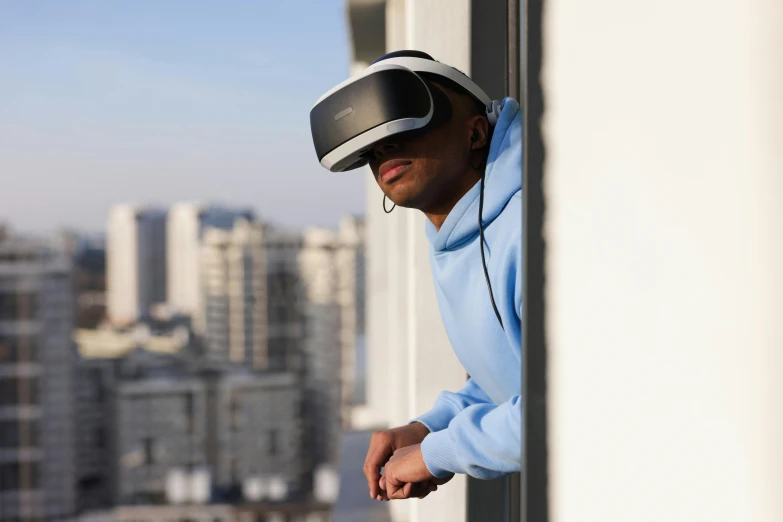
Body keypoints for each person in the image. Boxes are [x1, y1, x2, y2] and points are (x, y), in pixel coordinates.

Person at [312, 50, 522, 501]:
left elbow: (566, 401)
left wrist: (437, 453)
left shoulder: (530, 228)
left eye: (405, 126)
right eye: (371, 144)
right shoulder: (455, 237)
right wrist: (427, 428)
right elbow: (509, 377)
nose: (383, 147)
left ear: (476, 132)